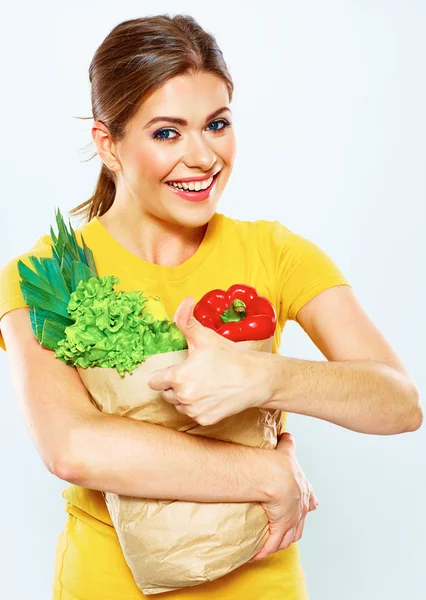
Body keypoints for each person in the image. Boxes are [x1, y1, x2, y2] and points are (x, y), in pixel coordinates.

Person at [0, 14, 421, 600]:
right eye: (167, 133)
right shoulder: (45, 274)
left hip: (261, 583)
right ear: (108, 144)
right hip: (107, 584)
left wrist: (264, 377)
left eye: (216, 124)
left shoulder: (274, 253)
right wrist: (266, 475)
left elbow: (398, 404)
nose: (202, 157)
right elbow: (71, 447)